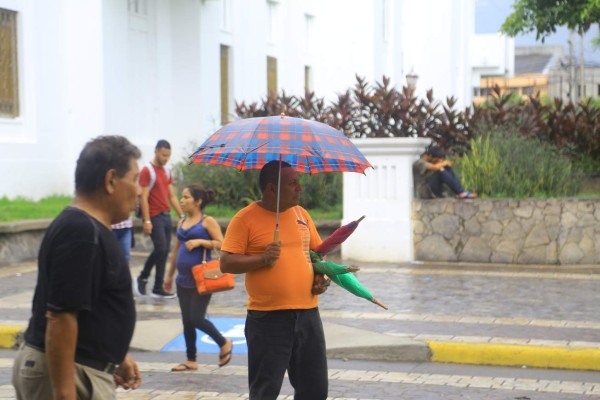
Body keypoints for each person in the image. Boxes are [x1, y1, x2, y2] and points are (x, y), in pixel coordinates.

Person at [12, 135, 142, 399]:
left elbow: (89, 306)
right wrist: (64, 392)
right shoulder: (81, 233)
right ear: (111, 180)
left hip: (84, 369)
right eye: (136, 179)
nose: (139, 190)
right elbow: (61, 318)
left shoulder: (88, 229)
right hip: (71, 374)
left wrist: (117, 354)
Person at [220, 160, 331, 400]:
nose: (299, 188)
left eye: (298, 182)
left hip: (308, 316)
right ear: (272, 189)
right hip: (268, 319)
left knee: (315, 390)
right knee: (265, 391)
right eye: (292, 183)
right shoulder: (245, 218)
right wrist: (262, 258)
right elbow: (226, 262)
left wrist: (320, 275)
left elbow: (316, 253)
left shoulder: (302, 214)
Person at [164, 184, 233, 371]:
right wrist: (169, 276)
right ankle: (191, 359)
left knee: (196, 317)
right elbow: (176, 250)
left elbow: (222, 243)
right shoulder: (181, 222)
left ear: (198, 201)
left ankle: (224, 342)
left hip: (201, 278)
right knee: (186, 320)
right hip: (182, 279)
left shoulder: (207, 221)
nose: (181, 200)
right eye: (182, 197)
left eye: (186, 197)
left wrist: (201, 242)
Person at [135, 139, 184, 299]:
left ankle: (158, 288)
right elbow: (143, 198)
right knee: (161, 249)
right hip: (154, 215)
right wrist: (147, 220)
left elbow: (172, 196)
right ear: (156, 151)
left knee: (164, 252)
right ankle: (142, 277)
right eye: (163, 155)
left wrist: (182, 215)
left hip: (166, 215)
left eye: (168, 156)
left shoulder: (167, 171)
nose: (165, 158)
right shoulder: (147, 170)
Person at [413, 145, 477, 199]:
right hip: (424, 191)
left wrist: (444, 164)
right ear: (430, 156)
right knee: (441, 170)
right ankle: (460, 192)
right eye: (436, 159)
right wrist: (445, 163)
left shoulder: (430, 162)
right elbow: (435, 167)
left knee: (446, 168)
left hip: (432, 188)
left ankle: (460, 192)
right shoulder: (419, 163)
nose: (438, 160)